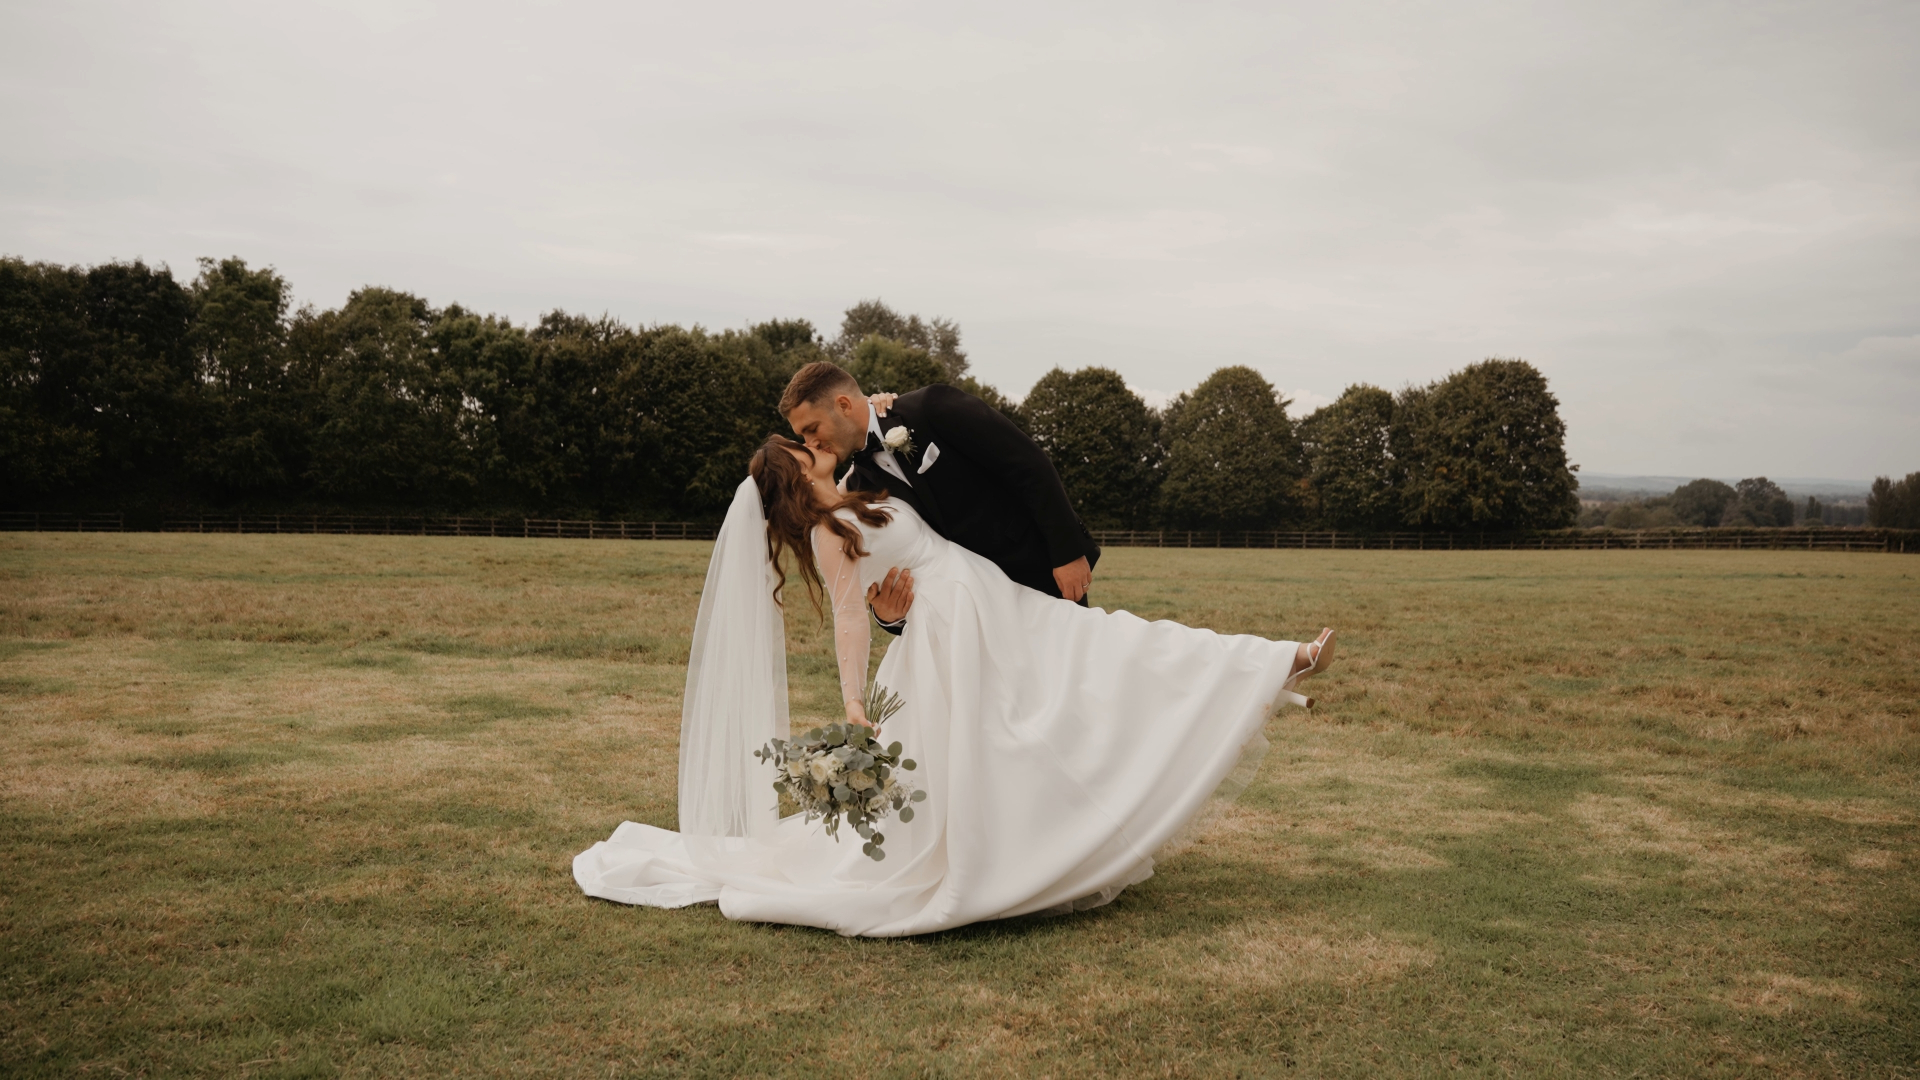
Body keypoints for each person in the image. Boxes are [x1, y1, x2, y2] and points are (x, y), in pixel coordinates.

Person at [572, 431, 1337, 937]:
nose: (816, 449)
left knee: (1106, 650)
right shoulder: (825, 533)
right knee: (1032, 718)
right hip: (951, 639)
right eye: (802, 450)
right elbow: (848, 619)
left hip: (995, 606)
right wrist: (850, 701)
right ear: (795, 475)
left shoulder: (860, 493)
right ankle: (1278, 664)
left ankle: (1272, 666)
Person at [780, 361, 1098, 633]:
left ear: (844, 406)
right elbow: (891, 564)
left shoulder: (930, 407)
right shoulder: (859, 489)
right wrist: (888, 617)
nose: (810, 443)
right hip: (971, 617)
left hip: (1036, 570)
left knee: (1076, 678)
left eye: (811, 428)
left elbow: (1026, 464)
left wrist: (1066, 553)